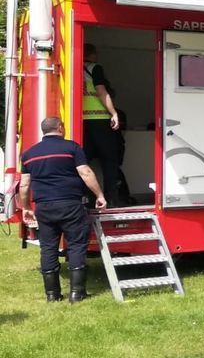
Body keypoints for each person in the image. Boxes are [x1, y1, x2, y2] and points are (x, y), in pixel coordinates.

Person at [17, 117, 107, 303]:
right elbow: (85, 173)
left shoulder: (28, 154)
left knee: (48, 248)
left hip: (44, 207)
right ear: (60, 127)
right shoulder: (72, 148)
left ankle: (52, 295)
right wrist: (99, 195)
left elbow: (24, 185)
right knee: (75, 246)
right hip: (70, 205)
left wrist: (26, 207)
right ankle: (77, 293)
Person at [81, 42, 124, 207]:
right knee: (109, 160)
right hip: (100, 120)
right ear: (92, 54)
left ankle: (85, 198)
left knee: (83, 161)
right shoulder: (94, 68)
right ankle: (111, 198)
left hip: (82, 121)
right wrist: (114, 113)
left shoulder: (73, 67)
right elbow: (101, 91)